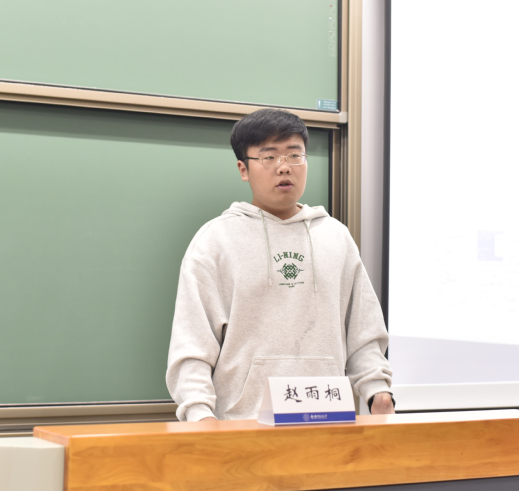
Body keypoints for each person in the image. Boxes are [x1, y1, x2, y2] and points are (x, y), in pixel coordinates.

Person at [166, 108, 394, 421]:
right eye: (269, 156)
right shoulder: (215, 241)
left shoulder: (336, 237)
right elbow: (192, 343)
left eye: (294, 155)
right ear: (243, 169)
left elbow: (363, 330)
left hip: (327, 419)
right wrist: (199, 415)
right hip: (241, 425)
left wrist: (378, 392)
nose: (284, 167)